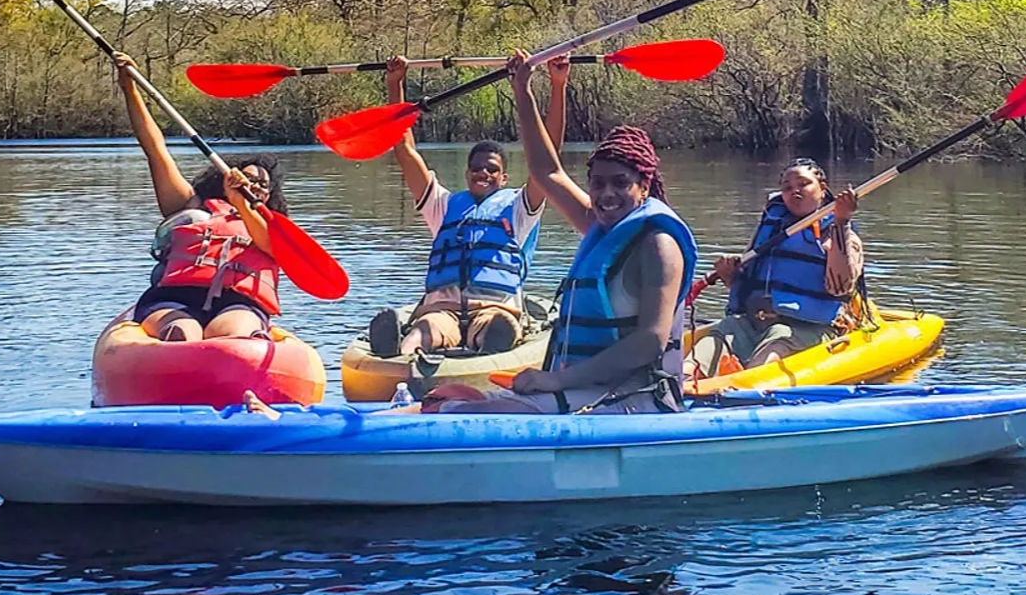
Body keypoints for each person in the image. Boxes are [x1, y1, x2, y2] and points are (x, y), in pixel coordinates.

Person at [430, 52, 698, 415]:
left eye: (621, 183)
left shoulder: (659, 245)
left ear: (645, 185)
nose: (606, 195)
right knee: (441, 401)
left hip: (638, 399)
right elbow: (546, 171)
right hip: (588, 391)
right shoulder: (601, 225)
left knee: (458, 414)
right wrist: (522, 89)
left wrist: (556, 380)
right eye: (597, 184)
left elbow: (650, 342)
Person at [367, 53, 569, 358]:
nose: (482, 173)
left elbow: (548, 152)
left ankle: (489, 349)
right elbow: (405, 151)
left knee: (496, 326)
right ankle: (399, 354)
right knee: (426, 329)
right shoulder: (443, 206)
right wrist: (395, 85)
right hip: (442, 310)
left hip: (494, 309)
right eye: (476, 168)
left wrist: (558, 85)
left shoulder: (519, 208)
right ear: (467, 173)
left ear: (504, 177)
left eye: (491, 169)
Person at [115, 52, 284, 343]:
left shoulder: (276, 229)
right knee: (183, 332)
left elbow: (269, 246)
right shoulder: (191, 205)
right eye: (248, 177)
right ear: (226, 179)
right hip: (174, 298)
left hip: (238, 302)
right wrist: (130, 88)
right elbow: (156, 150)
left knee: (236, 333)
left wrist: (242, 203)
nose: (255, 184)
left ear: (269, 196)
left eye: (262, 184)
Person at [689, 157, 863, 372]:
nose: (794, 191)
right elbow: (747, 286)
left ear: (822, 188)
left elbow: (840, 288)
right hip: (750, 324)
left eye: (803, 184)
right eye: (787, 187)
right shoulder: (771, 226)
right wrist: (730, 276)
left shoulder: (839, 233)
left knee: (767, 356)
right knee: (698, 359)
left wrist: (842, 221)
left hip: (803, 329)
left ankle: (742, 392)